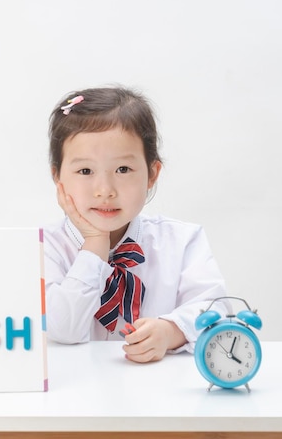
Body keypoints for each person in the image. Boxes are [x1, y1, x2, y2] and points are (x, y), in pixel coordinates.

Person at [43, 86, 228, 363]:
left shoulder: (182, 241)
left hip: (161, 393)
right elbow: (62, 329)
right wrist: (94, 243)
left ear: (152, 174)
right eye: (85, 171)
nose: (104, 190)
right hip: (72, 396)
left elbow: (216, 309)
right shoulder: (44, 247)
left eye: (123, 170)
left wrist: (171, 331)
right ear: (58, 177)